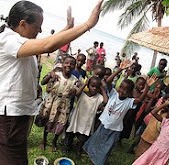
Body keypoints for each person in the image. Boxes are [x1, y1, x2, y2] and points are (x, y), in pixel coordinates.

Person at [0, 0, 103, 164]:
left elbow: (47, 42)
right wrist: (88, 24)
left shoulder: (17, 41)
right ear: (23, 24)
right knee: (14, 158)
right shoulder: (9, 41)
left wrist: (68, 28)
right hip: (11, 115)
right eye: (38, 26)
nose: (40, 30)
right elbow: (47, 45)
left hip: (15, 114)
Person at [83, 60, 158, 165]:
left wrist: (147, 87)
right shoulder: (113, 94)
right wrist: (119, 69)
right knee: (96, 143)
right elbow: (107, 82)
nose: (121, 90)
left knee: (106, 149)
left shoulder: (128, 102)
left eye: (125, 90)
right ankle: (93, 160)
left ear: (129, 93)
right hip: (103, 126)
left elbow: (140, 99)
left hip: (114, 131)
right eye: (121, 87)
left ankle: (99, 162)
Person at [64, 76, 108, 154]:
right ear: (88, 85)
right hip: (77, 119)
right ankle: (68, 147)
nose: (94, 88)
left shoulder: (98, 97)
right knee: (71, 134)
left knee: (82, 138)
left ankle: (79, 150)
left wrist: (102, 89)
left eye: (97, 87)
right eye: (92, 86)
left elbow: (106, 101)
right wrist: (85, 84)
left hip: (87, 122)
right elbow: (77, 93)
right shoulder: (82, 94)